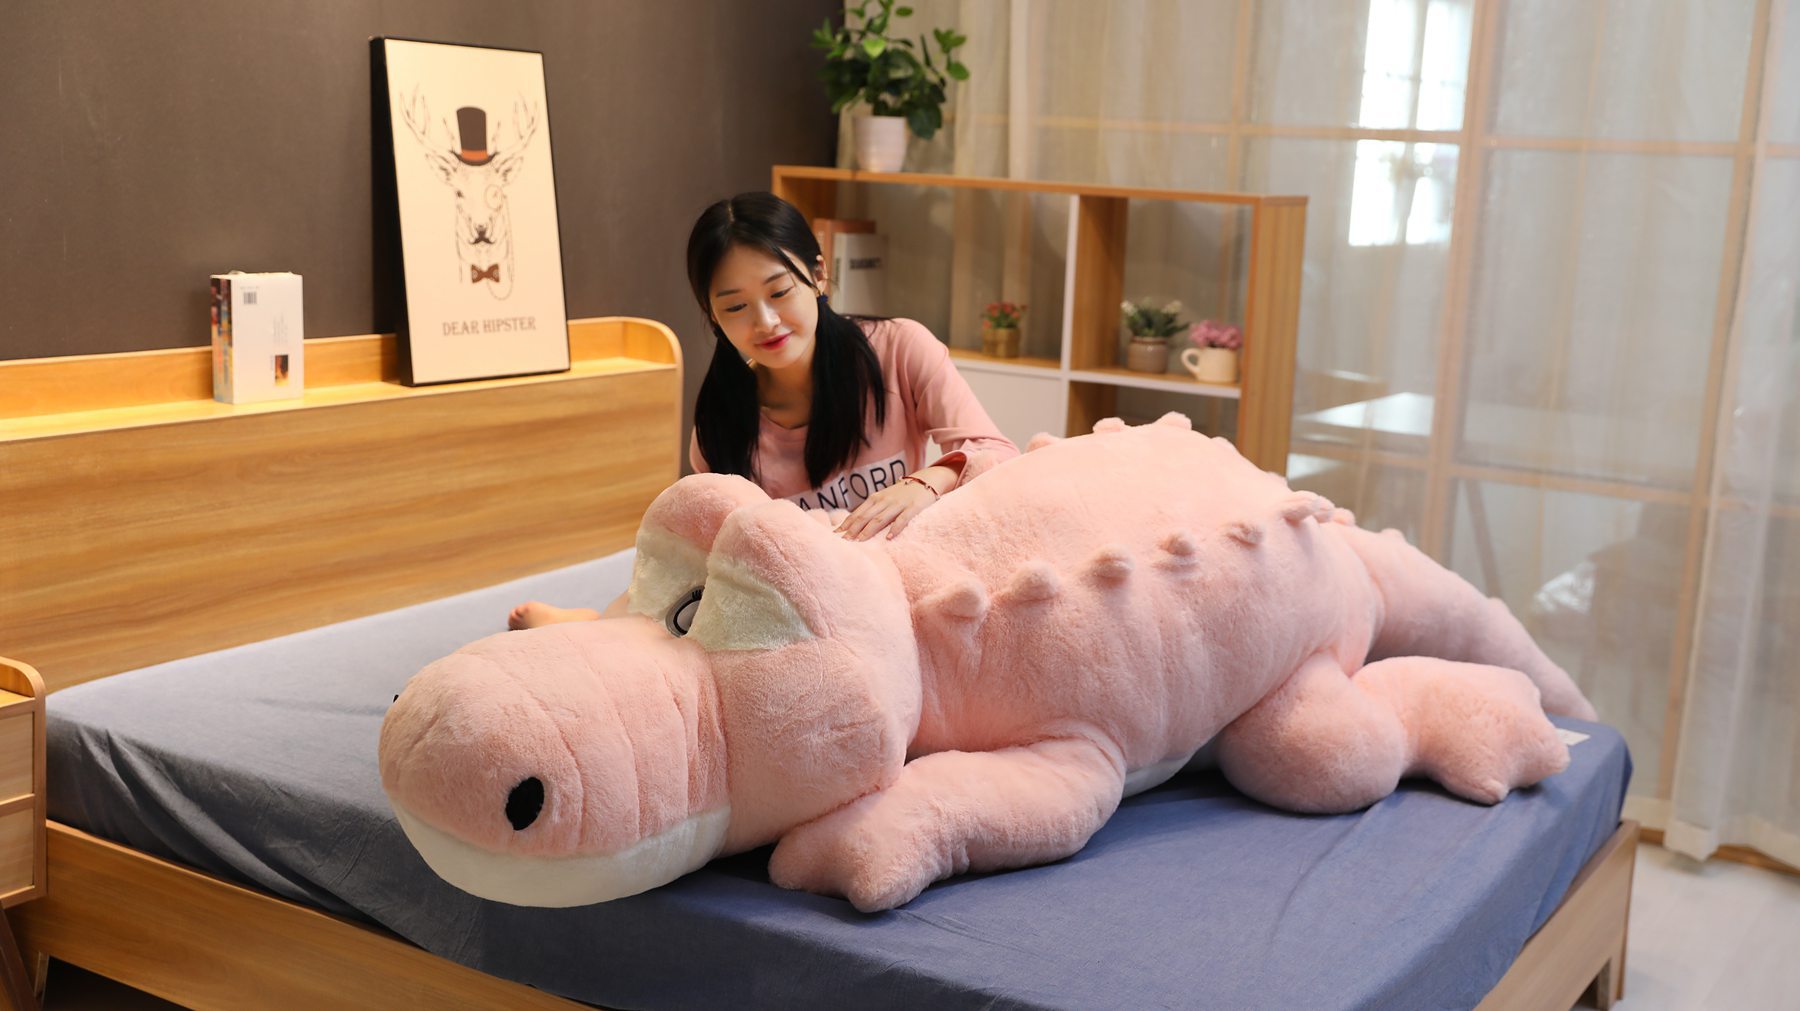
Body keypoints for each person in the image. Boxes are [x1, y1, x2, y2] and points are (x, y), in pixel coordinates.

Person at [508, 191, 1018, 630]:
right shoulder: (720, 424)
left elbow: (997, 453)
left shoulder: (898, 349)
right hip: (800, 611)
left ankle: (600, 626)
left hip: (899, 585)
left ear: (818, 275)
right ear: (712, 316)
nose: (766, 321)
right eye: (735, 307)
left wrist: (927, 482)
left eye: (779, 291)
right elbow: (711, 560)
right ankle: (600, 626)